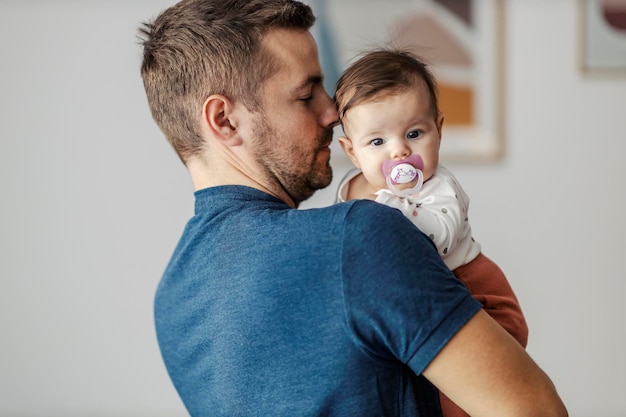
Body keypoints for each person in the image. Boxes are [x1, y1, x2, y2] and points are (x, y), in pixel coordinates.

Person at [138, 1, 568, 416]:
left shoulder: (171, 298)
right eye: (307, 95)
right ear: (225, 120)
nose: (333, 113)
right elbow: (535, 411)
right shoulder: (360, 235)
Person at [334, 49, 529, 417]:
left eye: (414, 133)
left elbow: (436, 238)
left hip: (478, 293)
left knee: (466, 397)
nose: (399, 150)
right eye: (377, 142)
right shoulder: (352, 188)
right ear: (352, 151)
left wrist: (388, 218)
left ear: (438, 130)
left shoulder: (440, 189)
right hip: (420, 306)